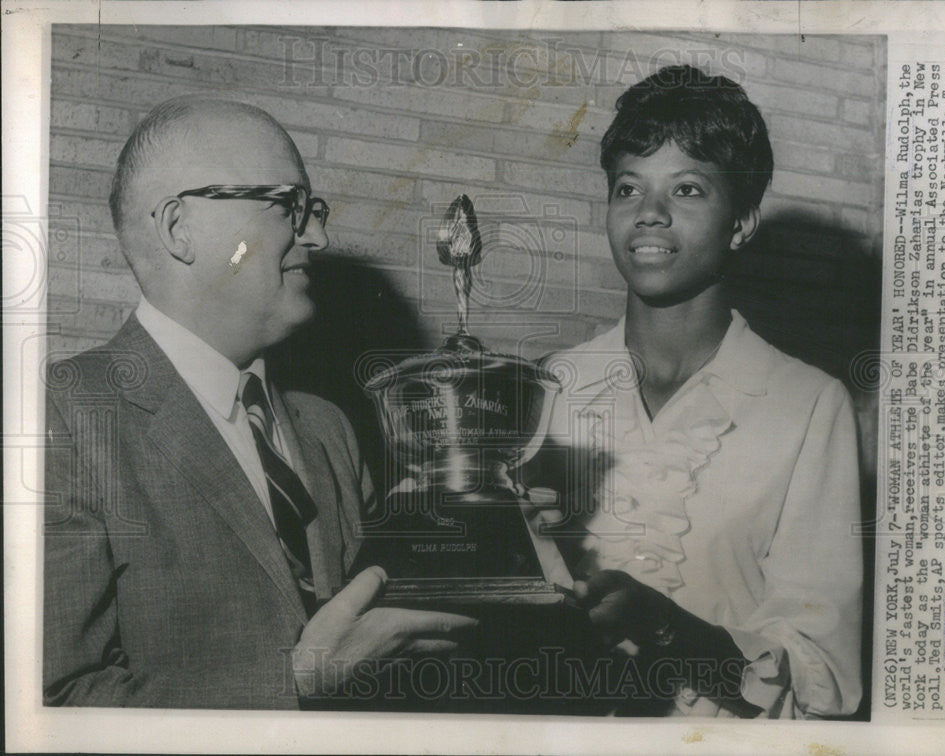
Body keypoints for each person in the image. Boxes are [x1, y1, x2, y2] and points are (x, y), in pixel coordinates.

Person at [43, 96, 477, 709]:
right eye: (286, 206)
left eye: (313, 210)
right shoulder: (61, 417)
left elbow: (377, 640)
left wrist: (478, 537)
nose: (319, 236)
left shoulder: (329, 429)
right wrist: (293, 686)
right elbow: (52, 703)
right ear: (178, 228)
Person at [536, 65, 863, 718]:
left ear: (741, 221)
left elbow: (828, 676)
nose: (649, 214)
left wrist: (671, 631)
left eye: (686, 189)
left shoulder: (808, 406)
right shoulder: (556, 382)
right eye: (628, 188)